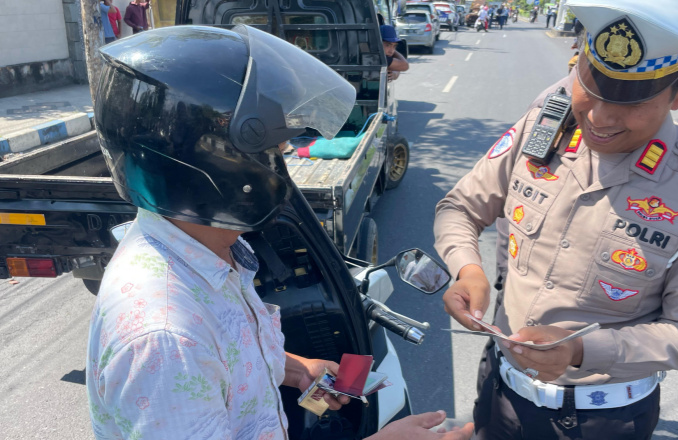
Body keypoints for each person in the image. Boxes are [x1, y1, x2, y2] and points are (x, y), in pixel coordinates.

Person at [87, 25, 472, 440]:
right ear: (214, 158)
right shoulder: (165, 337)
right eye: (271, 146)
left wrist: (298, 370)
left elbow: (230, 349)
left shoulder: (207, 252)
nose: (283, 155)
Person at [434, 0, 678, 438]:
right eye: (591, 88)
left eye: (631, 102)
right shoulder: (546, 125)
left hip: (602, 420)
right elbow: (461, 207)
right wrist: (468, 270)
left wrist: (583, 350)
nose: (599, 117)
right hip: (500, 389)